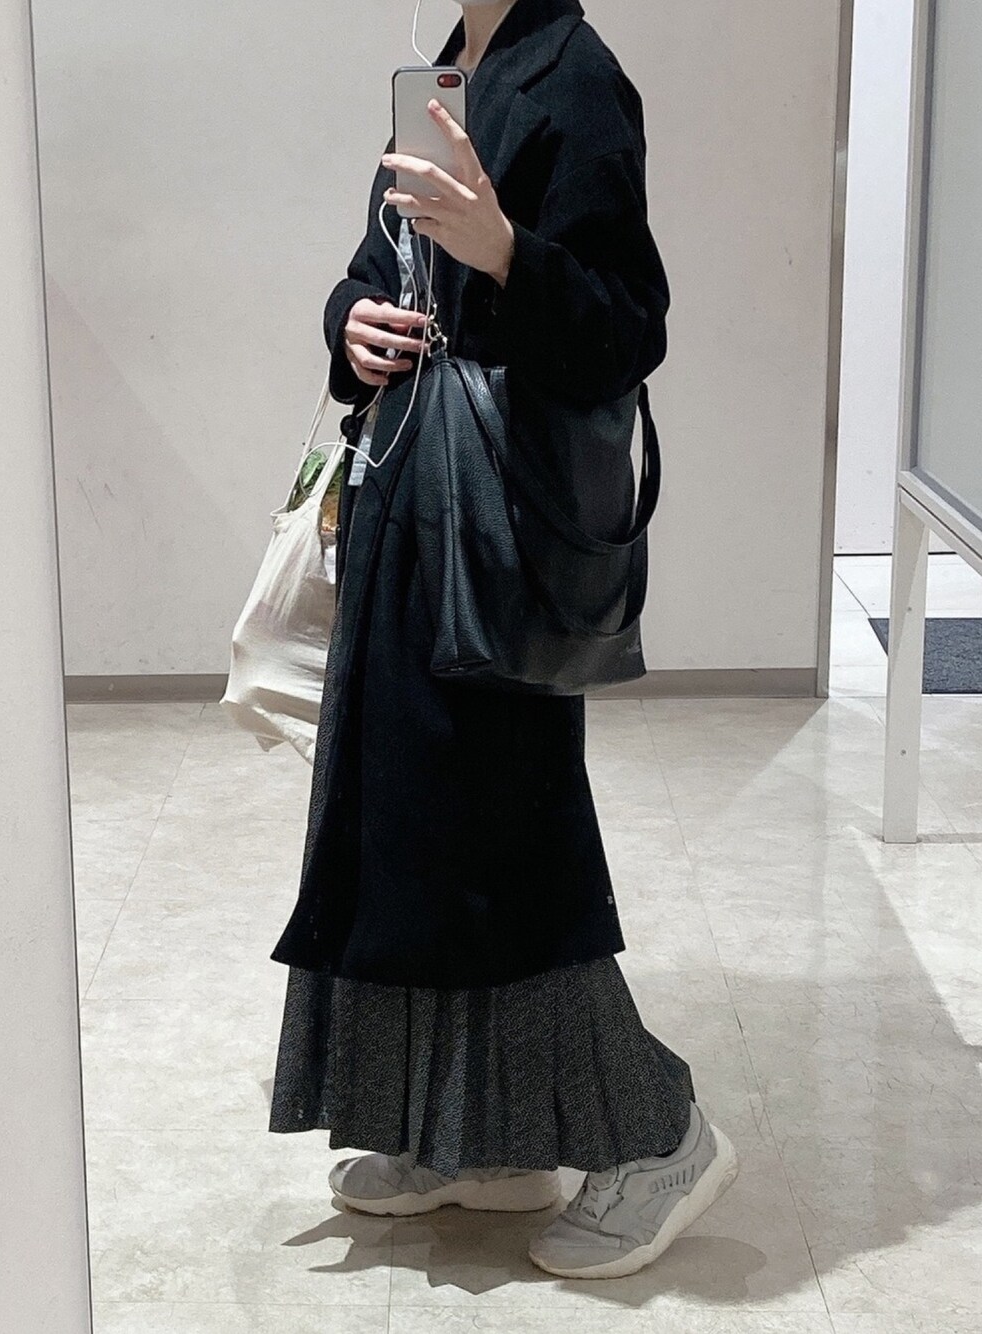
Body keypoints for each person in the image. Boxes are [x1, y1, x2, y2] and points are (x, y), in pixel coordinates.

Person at [268, 0, 738, 1280]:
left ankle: (660, 1135)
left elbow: (626, 329)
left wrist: (507, 253)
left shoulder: (574, 80)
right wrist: (351, 324)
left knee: (501, 840)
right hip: (410, 503)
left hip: (492, 528)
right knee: (403, 827)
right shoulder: (449, 70)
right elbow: (376, 268)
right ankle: (468, 1134)